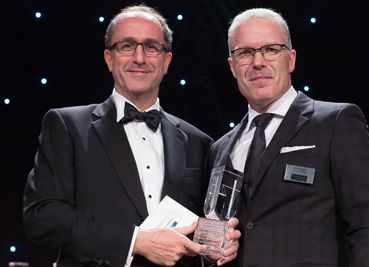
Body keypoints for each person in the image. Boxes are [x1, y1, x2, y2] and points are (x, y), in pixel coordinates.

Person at [23, 5, 239, 267]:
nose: (139, 57)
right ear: (109, 58)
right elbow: (42, 217)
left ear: (166, 60)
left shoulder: (198, 141)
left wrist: (220, 245)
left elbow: (203, 229)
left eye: (151, 47)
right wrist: (136, 241)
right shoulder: (67, 125)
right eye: (127, 46)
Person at [209, 7, 369, 267]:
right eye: (245, 53)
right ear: (232, 66)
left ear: (291, 59)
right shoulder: (220, 148)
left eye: (271, 49)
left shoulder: (336, 122)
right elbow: (213, 238)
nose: (258, 62)